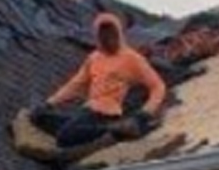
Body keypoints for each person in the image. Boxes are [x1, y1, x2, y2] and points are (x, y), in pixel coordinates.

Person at [34, 11, 167, 151]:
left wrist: (144, 113)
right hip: (88, 110)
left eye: (111, 34)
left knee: (64, 138)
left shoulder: (132, 59)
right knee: (40, 118)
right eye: (104, 36)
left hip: (106, 113)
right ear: (98, 37)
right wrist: (49, 103)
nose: (108, 39)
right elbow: (75, 84)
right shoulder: (94, 58)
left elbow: (158, 86)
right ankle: (108, 129)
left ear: (119, 34)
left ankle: (113, 128)